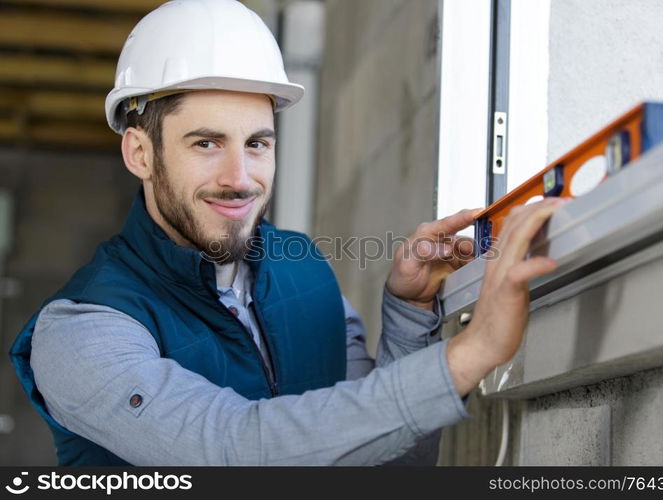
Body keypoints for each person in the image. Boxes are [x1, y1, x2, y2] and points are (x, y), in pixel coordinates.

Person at [9, 0, 568, 466]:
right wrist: (473, 353)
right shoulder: (82, 331)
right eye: (206, 143)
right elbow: (231, 448)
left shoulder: (304, 270)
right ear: (140, 152)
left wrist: (409, 317)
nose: (239, 179)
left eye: (257, 143)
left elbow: (386, 460)